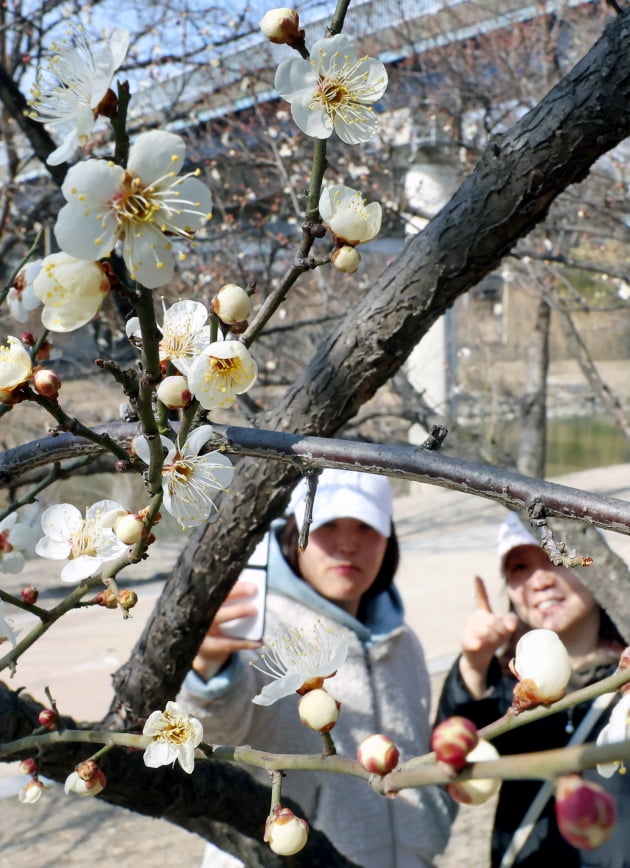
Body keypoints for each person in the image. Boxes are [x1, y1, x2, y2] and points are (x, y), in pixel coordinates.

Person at [178, 469, 454, 868]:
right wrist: (207, 672)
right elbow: (217, 737)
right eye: (326, 527)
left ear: (387, 540)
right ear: (294, 532)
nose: (347, 544)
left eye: (365, 526)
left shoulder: (403, 641)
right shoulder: (254, 626)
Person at [435, 511, 630, 868]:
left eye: (558, 557)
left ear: (591, 564)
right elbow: (453, 759)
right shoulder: (505, 688)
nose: (539, 581)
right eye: (519, 567)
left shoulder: (625, 679)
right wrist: (474, 668)